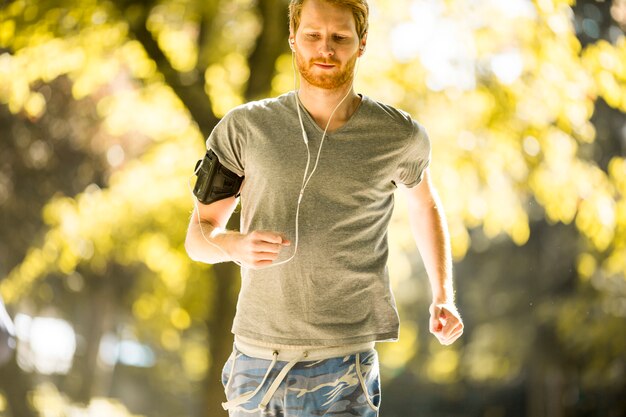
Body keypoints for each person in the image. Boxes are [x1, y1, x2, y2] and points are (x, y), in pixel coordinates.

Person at [185, 0, 464, 415]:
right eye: (313, 36)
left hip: (347, 366)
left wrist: (444, 294)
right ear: (293, 39)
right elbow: (198, 237)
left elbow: (425, 205)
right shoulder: (244, 128)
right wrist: (234, 245)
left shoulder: (399, 135)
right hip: (258, 365)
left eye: (340, 37)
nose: (325, 49)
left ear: (362, 43)